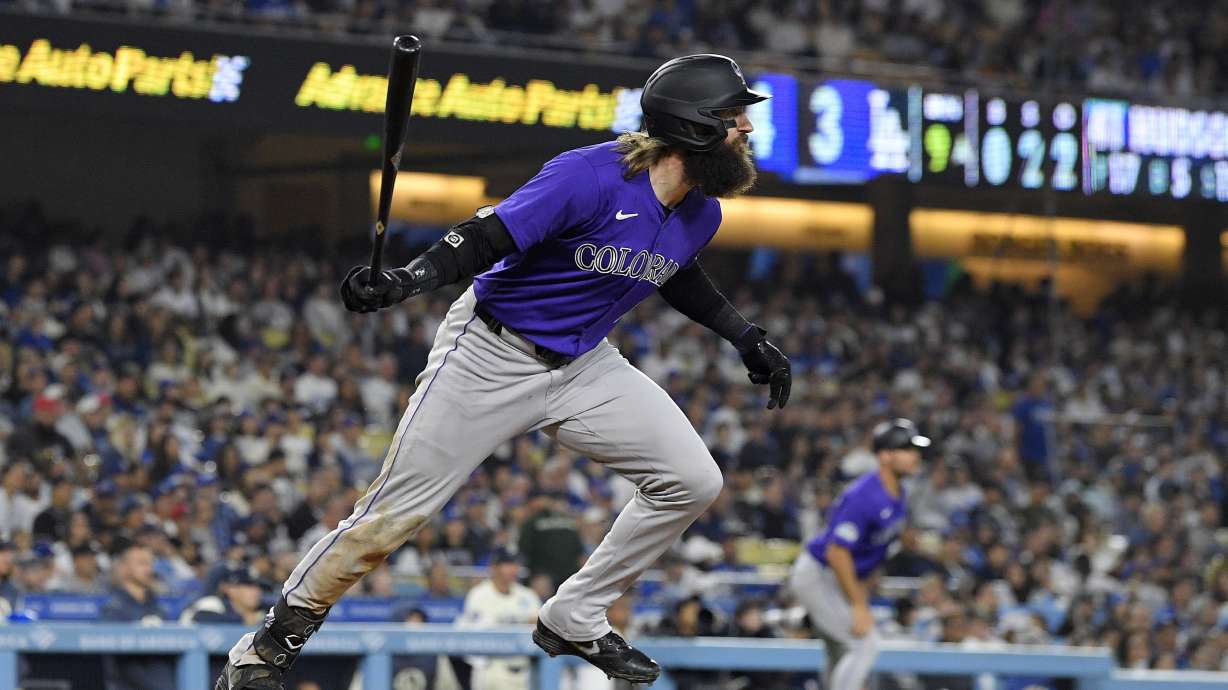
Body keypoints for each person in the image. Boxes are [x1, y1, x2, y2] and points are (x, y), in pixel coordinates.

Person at [216, 53, 792, 689]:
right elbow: (489, 234)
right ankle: (271, 644)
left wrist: (746, 337)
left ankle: (575, 614)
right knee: (391, 517)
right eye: (735, 118)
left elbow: (676, 272)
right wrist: (409, 280)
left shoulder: (700, 212)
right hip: (490, 354)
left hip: (584, 366)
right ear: (696, 127)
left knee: (692, 479)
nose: (746, 131)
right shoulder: (588, 176)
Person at [787, 419, 928, 690]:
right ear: (885, 456)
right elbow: (837, 552)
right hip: (819, 574)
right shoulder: (863, 495)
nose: (915, 455)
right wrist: (858, 605)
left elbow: (872, 546)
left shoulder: (899, 493)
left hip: (837, 578)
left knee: (841, 652)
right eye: (907, 449)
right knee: (865, 643)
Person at [455, 547, 541, 690]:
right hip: (491, 670)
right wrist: (522, 622)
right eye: (507, 564)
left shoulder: (527, 595)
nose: (514, 569)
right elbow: (476, 635)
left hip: (524, 672)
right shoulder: (479, 595)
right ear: (494, 567)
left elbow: (542, 629)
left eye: (515, 564)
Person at [101, 541, 175, 690]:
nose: (149, 569)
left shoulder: (158, 608)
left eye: (150, 563)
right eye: (142, 563)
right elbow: (119, 664)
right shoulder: (114, 609)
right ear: (124, 568)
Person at [181, 565, 266, 625]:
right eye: (249, 586)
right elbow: (199, 617)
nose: (257, 591)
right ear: (231, 589)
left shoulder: (263, 609)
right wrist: (242, 620)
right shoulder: (213, 602)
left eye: (259, 587)